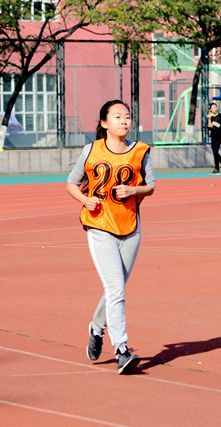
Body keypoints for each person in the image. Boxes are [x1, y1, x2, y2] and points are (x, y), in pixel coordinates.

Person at [66, 100, 155, 375]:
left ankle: (96, 327)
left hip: (130, 227)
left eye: (127, 116)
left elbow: (151, 186)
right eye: (117, 116)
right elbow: (71, 183)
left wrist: (134, 190)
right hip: (99, 225)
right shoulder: (91, 151)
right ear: (104, 123)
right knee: (116, 288)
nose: (124, 121)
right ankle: (121, 349)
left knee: (116, 288)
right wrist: (85, 199)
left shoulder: (140, 151)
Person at [207, 102, 221, 174]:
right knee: (214, 153)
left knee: (215, 152)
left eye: (215, 107)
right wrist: (209, 119)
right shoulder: (210, 117)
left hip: (219, 136)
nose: (214, 109)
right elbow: (209, 127)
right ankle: (216, 168)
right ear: (210, 109)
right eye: (212, 108)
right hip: (213, 136)